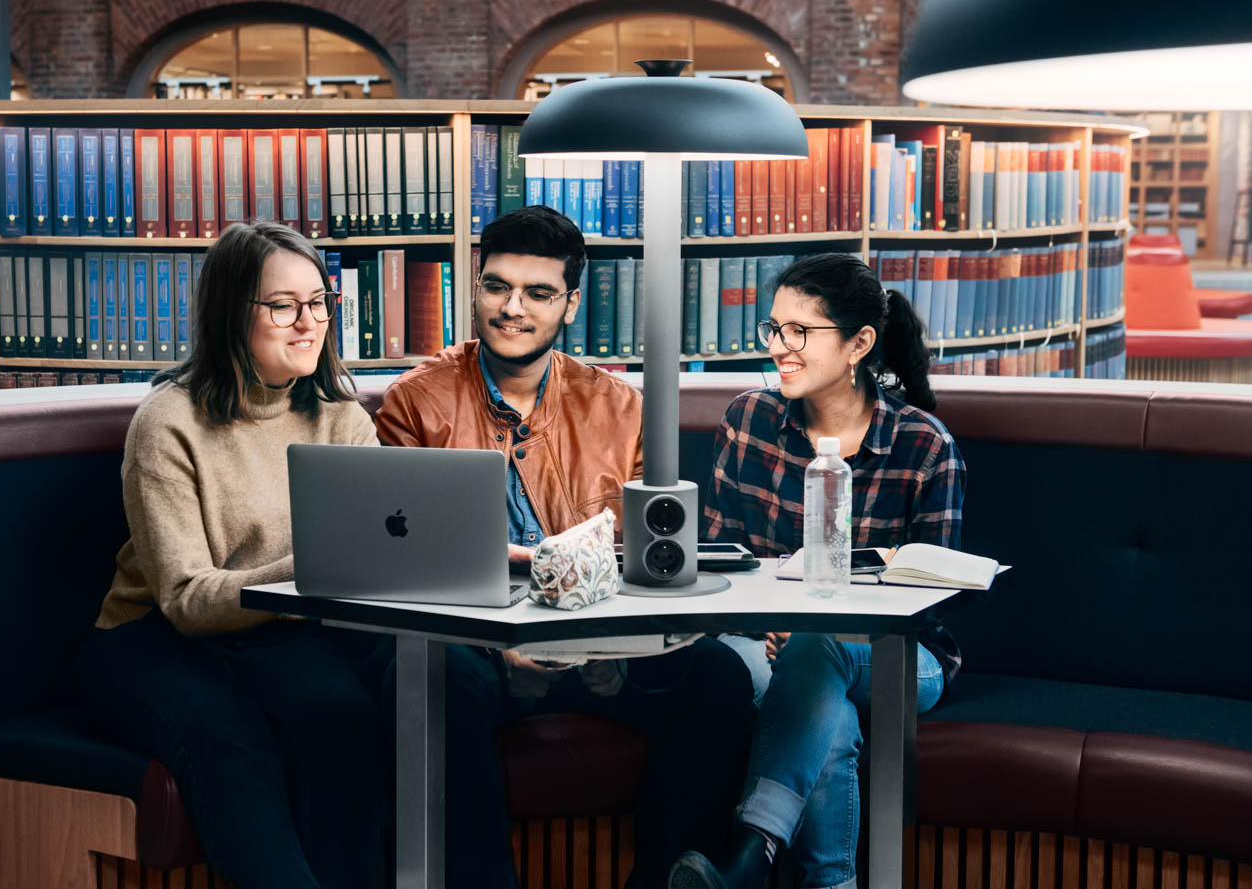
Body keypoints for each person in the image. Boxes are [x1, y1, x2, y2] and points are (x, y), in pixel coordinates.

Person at [375, 205, 757, 889]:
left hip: (603, 647)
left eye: (538, 293)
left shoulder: (620, 405)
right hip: (479, 651)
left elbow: (649, 557)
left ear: (571, 303)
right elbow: (409, 570)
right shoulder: (415, 403)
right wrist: (500, 646)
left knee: (718, 679)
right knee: (435, 681)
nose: (511, 308)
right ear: (474, 283)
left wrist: (611, 644)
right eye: (496, 286)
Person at [74, 221, 388, 889]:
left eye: (318, 302)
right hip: (149, 637)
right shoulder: (168, 423)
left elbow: (374, 549)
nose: (308, 323)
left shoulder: (341, 416)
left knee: (343, 722)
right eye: (282, 305)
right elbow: (187, 601)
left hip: (276, 629)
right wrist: (318, 564)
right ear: (229, 312)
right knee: (230, 744)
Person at [671, 253, 967, 889]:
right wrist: (773, 628)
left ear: (860, 343)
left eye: (800, 332)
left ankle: (750, 850)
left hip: (903, 657)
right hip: (766, 640)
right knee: (828, 717)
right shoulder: (747, 421)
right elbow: (724, 561)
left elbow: (933, 602)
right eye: (774, 329)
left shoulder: (924, 446)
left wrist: (810, 634)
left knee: (819, 648)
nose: (780, 347)